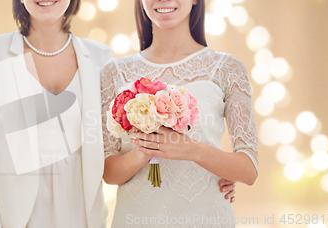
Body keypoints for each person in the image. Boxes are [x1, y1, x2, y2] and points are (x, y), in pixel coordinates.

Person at [0, 0, 238, 228]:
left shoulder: (100, 58)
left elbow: (122, 138)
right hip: (12, 217)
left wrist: (213, 170)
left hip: (84, 215)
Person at [101, 0, 258, 227]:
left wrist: (191, 150)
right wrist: (142, 153)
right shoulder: (113, 72)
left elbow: (249, 169)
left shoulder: (228, 69)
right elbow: (108, 172)